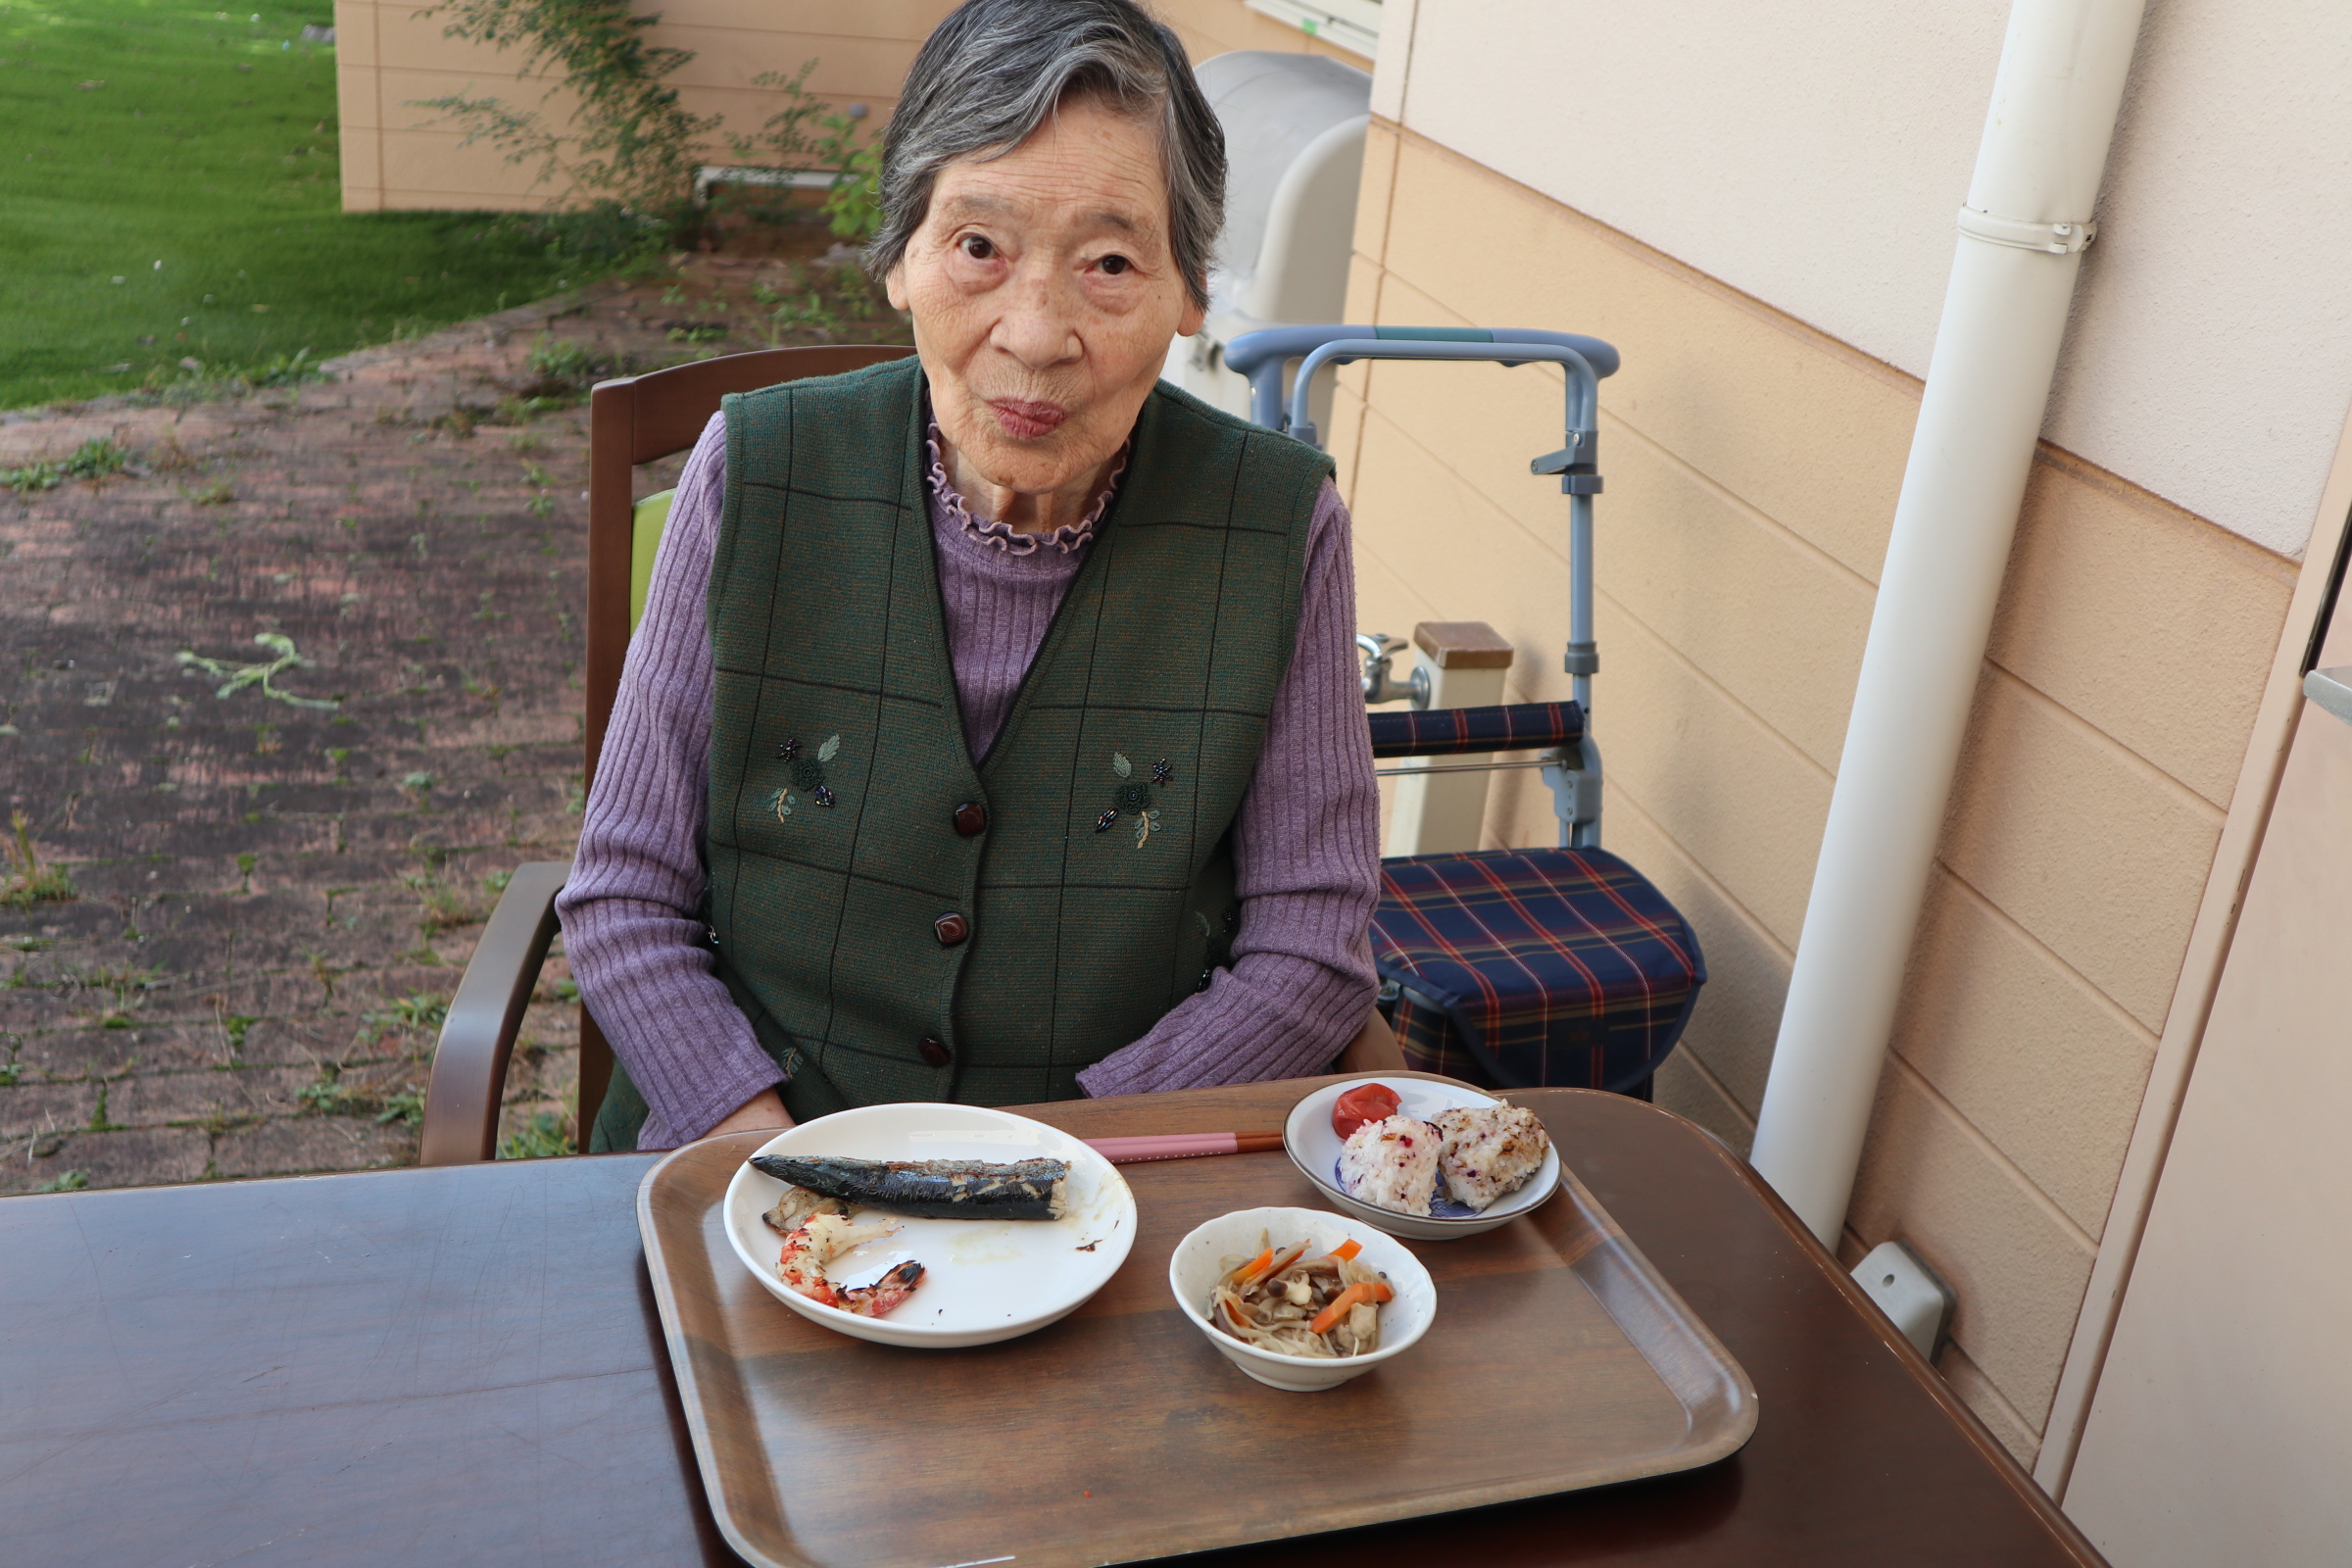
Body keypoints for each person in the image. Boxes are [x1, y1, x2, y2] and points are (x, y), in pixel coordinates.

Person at [557, 0, 1381, 1152]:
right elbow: (626, 894)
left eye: (1109, 262)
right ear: (901, 258)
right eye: (979, 248)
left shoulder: (1281, 528)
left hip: (1107, 1184)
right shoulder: (752, 471)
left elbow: (1310, 947)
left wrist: (1052, 1169)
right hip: (748, 1165)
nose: (1034, 334)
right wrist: (771, 1159)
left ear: (1190, 291)